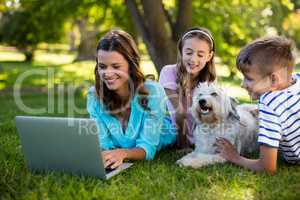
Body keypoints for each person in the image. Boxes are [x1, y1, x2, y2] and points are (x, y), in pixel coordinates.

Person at [87, 30, 176, 169]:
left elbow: (147, 148)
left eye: (116, 66)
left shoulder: (152, 92)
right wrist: (108, 154)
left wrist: (123, 153)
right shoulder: (94, 95)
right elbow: (104, 144)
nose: (107, 73)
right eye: (102, 66)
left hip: (167, 134)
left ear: (130, 65)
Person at [215, 36, 300, 174]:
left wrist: (234, 157)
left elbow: (267, 167)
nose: (242, 85)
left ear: (273, 79)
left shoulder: (269, 104)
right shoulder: (296, 79)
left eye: (248, 79)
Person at [159, 27, 216, 148]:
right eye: (189, 53)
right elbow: (180, 113)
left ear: (209, 56)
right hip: (172, 130)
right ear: (181, 51)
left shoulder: (210, 81)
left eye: (200, 55)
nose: (193, 59)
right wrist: (183, 146)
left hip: (199, 133)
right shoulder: (168, 72)